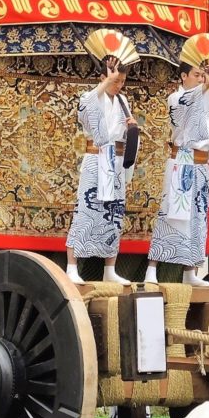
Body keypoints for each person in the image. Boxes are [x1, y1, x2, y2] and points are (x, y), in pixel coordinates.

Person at [145, 59, 209, 287]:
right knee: (172, 214)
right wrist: (205, 86)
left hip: (202, 167)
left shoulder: (204, 103)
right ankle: (152, 269)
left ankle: (190, 271)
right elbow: (184, 108)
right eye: (196, 74)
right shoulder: (177, 98)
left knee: (197, 219)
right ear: (183, 77)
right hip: (183, 162)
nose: (200, 79)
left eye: (202, 75)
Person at [65, 55, 138, 286]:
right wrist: (108, 82)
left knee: (114, 214)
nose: (119, 85)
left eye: (122, 81)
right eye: (116, 81)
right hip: (96, 159)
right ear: (103, 78)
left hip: (115, 161)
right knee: (86, 210)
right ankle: (72, 266)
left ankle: (110, 268)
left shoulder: (123, 101)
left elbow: (125, 136)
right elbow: (84, 105)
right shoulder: (91, 98)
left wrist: (130, 129)